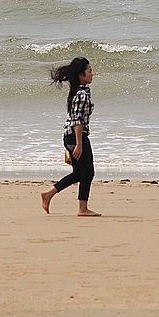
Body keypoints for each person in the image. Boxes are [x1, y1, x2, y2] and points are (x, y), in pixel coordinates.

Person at [40, 56, 101, 217]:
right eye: (89, 71)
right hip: (76, 137)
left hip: (70, 137)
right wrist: (79, 144)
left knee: (78, 174)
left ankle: (48, 194)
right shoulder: (81, 94)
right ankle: (83, 209)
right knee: (87, 173)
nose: (92, 74)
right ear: (81, 75)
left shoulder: (80, 92)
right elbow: (77, 121)